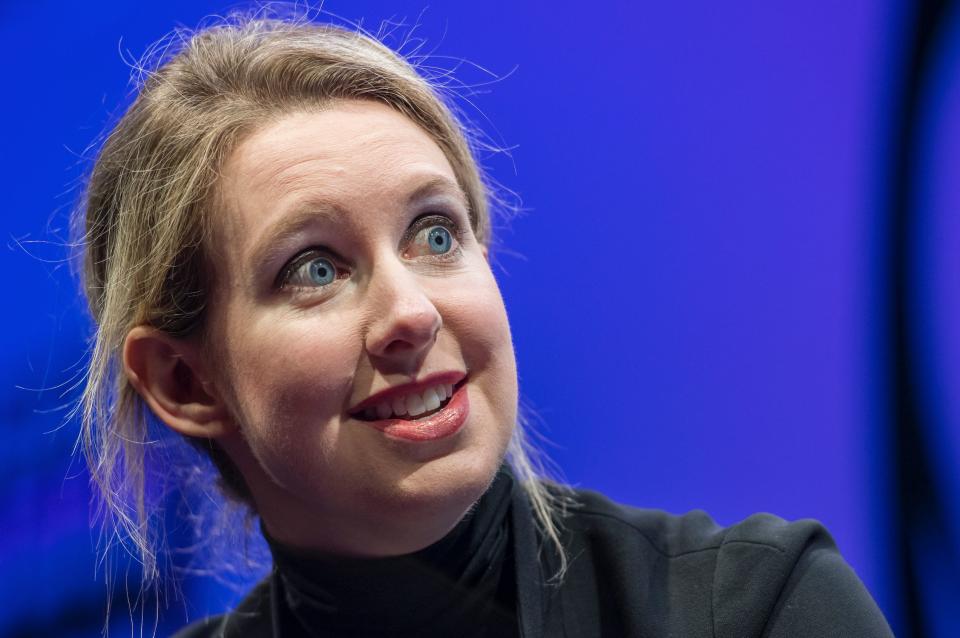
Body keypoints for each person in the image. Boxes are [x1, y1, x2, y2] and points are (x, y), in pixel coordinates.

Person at [77, 12, 894, 637]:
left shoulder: (754, 609)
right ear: (185, 383)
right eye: (315, 270)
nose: (410, 311)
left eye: (435, 235)